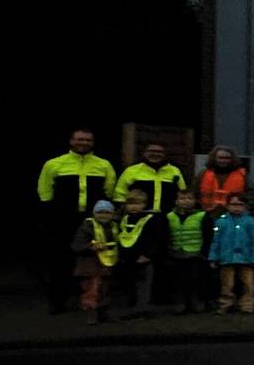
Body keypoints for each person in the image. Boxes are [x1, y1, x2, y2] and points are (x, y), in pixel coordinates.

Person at [38, 129, 119, 312]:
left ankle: (93, 300)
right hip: (63, 219)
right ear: (71, 141)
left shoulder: (103, 165)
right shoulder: (54, 164)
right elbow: (45, 193)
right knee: (60, 260)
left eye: (88, 139)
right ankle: (57, 301)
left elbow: (109, 191)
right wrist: (50, 217)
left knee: (94, 260)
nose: (83, 142)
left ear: (93, 142)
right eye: (79, 139)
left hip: (92, 220)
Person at [205, 193, 254, 314]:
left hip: (247, 258)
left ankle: (247, 304)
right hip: (226, 257)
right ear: (227, 205)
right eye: (233, 204)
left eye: (240, 205)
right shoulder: (221, 222)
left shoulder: (251, 221)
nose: (237, 207)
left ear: (245, 206)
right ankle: (226, 304)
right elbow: (216, 241)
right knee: (227, 284)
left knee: (248, 283)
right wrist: (213, 257)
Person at [71, 200, 121, 323]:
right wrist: (90, 247)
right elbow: (76, 245)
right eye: (100, 212)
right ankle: (91, 312)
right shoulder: (87, 226)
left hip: (108, 263)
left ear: (113, 214)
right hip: (90, 264)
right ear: (94, 213)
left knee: (105, 288)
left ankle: (103, 312)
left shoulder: (115, 226)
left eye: (107, 212)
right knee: (92, 289)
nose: (103, 215)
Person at [164, 189, 211, 314]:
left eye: (190, 198)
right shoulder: (169, 216)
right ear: (176, 201)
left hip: (196, 254)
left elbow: (207, 235)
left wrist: (204, 253)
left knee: (197, 280)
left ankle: (198, 303)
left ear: (195, 201)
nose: (186, 202)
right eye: (182, 199)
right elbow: (166, 235)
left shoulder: (202, 215)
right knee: (178, 281)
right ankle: (181, 303)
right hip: (177, 253)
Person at [115, 141, 187, 214]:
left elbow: (183, 193)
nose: (155, 154)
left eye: (159, 151)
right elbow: (120, 194)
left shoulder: (175, 171)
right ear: (144, 153)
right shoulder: (131, 171)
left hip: (168, 217)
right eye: (151, 151)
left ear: (165, 154)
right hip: (139, 216)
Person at [194, 146, 250, 212]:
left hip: (234, 214)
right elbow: (195, 193)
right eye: (220, 158)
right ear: (214, 158)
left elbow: (250, 194)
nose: (223, 161)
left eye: (227, 158)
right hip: (207, 213)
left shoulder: (242, 175)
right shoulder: (203, 174)